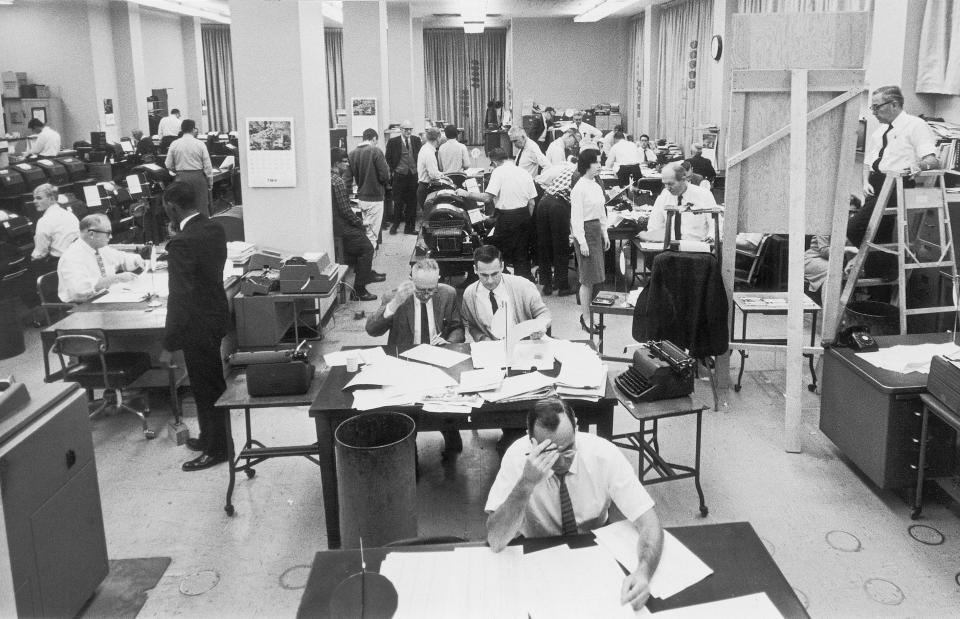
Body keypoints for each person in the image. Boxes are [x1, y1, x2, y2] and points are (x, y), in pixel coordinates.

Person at [485, 397, 663, 611]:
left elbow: (649, 522)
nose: (561, 461)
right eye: (549, 452)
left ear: (576, 428)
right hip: (538, 554)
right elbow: (495, 540)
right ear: (530, 440)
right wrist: (526, 484)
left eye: (568, 449)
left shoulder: (603, 454)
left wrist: (643, 572)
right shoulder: (517, 457)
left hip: (594, 550)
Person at [160, 182, 230, 472]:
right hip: (215, 316)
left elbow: (181, 295)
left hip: (196, 325)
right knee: (211, 383)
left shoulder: (180, 243)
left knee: (205, 388)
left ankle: (217, 450)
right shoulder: (214, 228)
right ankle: (210, 437)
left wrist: (168, 342)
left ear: (172, 207)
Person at [365, 259, 465, 453]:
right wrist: (394, 305)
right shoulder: (393, 297)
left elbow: (457, 327)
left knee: (450, 403)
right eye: (421, 291)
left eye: (431, 290)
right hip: (405, 362)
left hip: (439, 359)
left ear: (438, 281)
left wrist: (449, 342)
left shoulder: (447, 294)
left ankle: (450, 429)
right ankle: (409, 444)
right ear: (410, 281)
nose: (427, 295)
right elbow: (372, 330)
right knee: (407, 415)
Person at [849, 85, 940, 250]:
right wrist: (865, 182)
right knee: (878, 235)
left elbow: (933, 160)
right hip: (875, 186)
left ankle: (887, 266)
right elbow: (868, 161)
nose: (874, 112)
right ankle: (884, 273)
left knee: (854, 228)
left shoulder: (916, 125)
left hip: (896, 185)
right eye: (872, 107)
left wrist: (918, 165)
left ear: (894, 104)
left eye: (877, 107)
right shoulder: (881, 130)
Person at [458, 148, 537, 278]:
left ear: (494, 162)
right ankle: (524, 284)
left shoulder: (498, 172)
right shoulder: (524, 172)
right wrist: (525, 220)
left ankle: (503, 280)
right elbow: (532, 203)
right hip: (524, 217)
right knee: (522, 255)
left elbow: (487, 198)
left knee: (500, 253)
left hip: (506, 219)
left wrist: (466, 193)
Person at [460, 244, 550, 342]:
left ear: (502, 266)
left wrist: (540, 326)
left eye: (494, 274)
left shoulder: (523, 286)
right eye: (484, 275)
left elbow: (543, 313)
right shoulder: (469, 294)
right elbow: (472, 326)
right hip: (491, 348)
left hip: (524, 344)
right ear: (475, 269)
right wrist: (482, 339)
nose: (490, 281)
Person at [57, 214, 145, 303]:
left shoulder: (100, 248)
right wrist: (115, 278)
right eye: (108, 233)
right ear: (91, 234)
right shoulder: (72, 257)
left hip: (105, 298)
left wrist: (136, 260)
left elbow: (121, 257)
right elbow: (80, 289)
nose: (111, 237)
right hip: (83, 306)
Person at [331, 148, 381, 302]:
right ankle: (359, 290)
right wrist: (361, 223)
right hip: (341, 226)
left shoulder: (329, 178)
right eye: (344, 162)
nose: (347, 164)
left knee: (362, 243)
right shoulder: (337, 181)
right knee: (367, 248)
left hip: (336, 224)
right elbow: (345, 210)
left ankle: (365, 275)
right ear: (336, 163)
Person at [570, 150, 610, 335]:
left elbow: (601, 211)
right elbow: (576, 219)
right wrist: (582, 242)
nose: (599, 165)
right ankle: (585, 317)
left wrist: (605, 233)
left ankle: (592, 314)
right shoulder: (579, 188)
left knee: (597, 278)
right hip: (585, 233)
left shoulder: (596, 184)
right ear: (587, 164)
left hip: (596, 231)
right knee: (587, 279)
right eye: (596, 163)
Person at [639, 162, 716, 245]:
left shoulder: (704, 195)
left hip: (696, 246)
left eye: (670, 184)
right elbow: (654, 226)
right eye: (665, 184)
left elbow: (716, 224)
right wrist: (651, 237)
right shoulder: (664, 196)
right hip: (670, 248)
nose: (667, 188)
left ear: (683, 179)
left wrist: (711, 237)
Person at [535, 162, 577, 297]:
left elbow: (540, 180)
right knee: (561, 246)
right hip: (559, 206)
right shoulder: (581, 174)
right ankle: (563, 287)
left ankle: (547, 285)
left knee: (544, 245)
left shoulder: (566, 168)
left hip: (544, 202)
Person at [349, 128, 391, 248]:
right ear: (374, 139)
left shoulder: (352, 154)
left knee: (366, 230)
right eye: (376, 141)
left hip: (361, 199)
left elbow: (348, 177)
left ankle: (365, 263)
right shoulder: (375, 151)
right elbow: (384, 175)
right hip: (375, 198)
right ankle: (366, 265)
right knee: (372, 235)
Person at [165, 119, 213, 217]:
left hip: (180, 178)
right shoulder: (200, 144)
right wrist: (210, 182)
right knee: (201, 207)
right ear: (192, 129)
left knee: (183, 207)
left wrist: (176, 170)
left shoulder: (174, 144)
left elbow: (168, 164)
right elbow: (208, 166)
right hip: (198, 178)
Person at [30, 183, 79, 272]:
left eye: (39, 198)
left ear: (52, 199)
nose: (34, 201)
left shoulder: (44, 221)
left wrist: (32, 259)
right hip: (77, 260)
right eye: (34, 198)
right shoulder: (69, 214)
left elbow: (40, 252)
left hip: (59, 264)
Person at [385, 120, 421, 235]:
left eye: (410, 129)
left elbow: (419, 156)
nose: (408, 132)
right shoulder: (392, 142)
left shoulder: (416, 140)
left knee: (412, 203)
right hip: (399, 176)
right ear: (401, 130)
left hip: (413, 175)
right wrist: (394, 171)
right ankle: (395, 225)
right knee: (398, 202)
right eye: (406, 129)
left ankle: (409, 228)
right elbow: (388, 158)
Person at [416, 127, 444, 219]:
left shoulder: (425, 148)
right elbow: (433, 175)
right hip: (426, 188)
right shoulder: (429, 153)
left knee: (428, 219)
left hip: (423, 187)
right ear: (438, 138)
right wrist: (443, 175)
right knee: (430, 220)